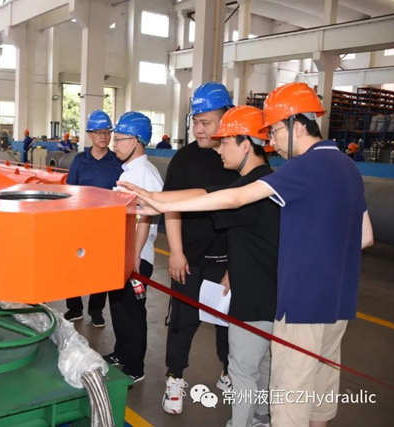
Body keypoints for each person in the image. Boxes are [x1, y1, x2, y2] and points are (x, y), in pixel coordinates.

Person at [125, 83, 374, 427]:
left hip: (301, 306)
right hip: (338, 304)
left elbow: (236, 198)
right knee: (319, 397)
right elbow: (364, 236)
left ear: (297, 125)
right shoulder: (347, 166)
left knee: (289, 401)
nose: (271, 141)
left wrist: (161, 203)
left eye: (274, 130)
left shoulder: (303, 167)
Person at [120, 106, 279, 427]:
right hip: (247, 282)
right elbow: (211, 194)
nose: (218, 147)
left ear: (245, 143)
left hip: (254, 291)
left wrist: (159, 201)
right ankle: (257, 415)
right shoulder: (252, 179)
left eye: (224, 140)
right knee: (252, 363)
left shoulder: (256, 185)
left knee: (244, 366)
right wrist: (160, 203)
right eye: (196, 123)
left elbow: (224, 198)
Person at [158, 82, 237, 415]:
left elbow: (245, 219)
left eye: (206, 122)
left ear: (226, 119)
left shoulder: (237, 158)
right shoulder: (184, 159)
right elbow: (170, 207)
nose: (199, 129)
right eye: (195, 121)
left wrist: (234, 268)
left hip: (227, 262)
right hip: (189, 260)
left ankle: (229, 372)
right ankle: (175, 378)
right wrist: (176, 252)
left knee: (228, 326)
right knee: (182, 322)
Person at [107, 111, 163, 383]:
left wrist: (134, 256)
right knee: (119, 307)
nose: (114, 144)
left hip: (137, 256)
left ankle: (135, 366)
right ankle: (121, 353)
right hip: (122, 253)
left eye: (119, 139)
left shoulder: (146, 174)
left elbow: (146, 217)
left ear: (135, 141)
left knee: (133, 311)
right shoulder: (129, 171)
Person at [64, 110, 123, 327]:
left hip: (106, 225)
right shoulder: (80, 161)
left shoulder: (117, 162)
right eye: (99, 132)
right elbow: (69, 192)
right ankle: (74, 308)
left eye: (107, 132)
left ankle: (96, 310)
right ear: (90, 134)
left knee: (100, 269)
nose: (104, 136)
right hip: (79, 223)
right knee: (74, 267)